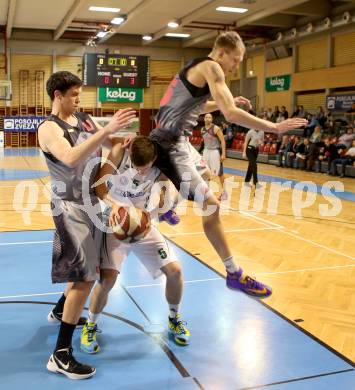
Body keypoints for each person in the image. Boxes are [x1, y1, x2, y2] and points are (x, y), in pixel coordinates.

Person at [149, 31, 307, 298]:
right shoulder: (211, 67)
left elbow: (195, 108)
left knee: (207, 177)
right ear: (221, 53)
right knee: (210, 204)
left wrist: (219, 105)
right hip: (170, 145)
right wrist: (274, 127)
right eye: (236, 60)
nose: (236, 67)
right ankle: (234, 272)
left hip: (177, 142)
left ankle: (164, 207)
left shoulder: (194, 69)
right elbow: (232, 114)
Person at [38, 71, 135, 380]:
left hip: (92, 202)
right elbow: (68, 158)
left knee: (85, 271)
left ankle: (59, 311)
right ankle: (61, 354)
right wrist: (107, 129)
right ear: (58, 95)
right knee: (85, 277)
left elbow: (110, 143)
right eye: (74, 95)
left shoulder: (85, 120)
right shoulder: (49, 128)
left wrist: (121, 141)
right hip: (69, 206)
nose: (78, 99)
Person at [201, 113, 228, 200]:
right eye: (206, 117)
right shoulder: (202, 129)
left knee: (219, 173)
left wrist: (223, 153)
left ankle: (224, 193)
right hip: (206, 152)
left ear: (212, 119)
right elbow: (204, 143)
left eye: (210, 117)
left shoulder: (216, 128)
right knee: (205, 172)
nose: (208, 118)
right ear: (204, 119)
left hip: (215, 152)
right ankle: (206, 193)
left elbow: (223, 141)